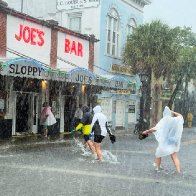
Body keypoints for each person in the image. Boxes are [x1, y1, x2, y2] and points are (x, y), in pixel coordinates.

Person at [142, 106, 184, 173]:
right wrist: (172, 112)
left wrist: (147, 131)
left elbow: (156, 128)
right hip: (174, 141)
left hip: (166, 142)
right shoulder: (176, 121)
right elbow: (180, 116)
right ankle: (178, 171)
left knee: (158, 154)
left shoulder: (164, 120)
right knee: (174, 156)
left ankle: (158, 168)